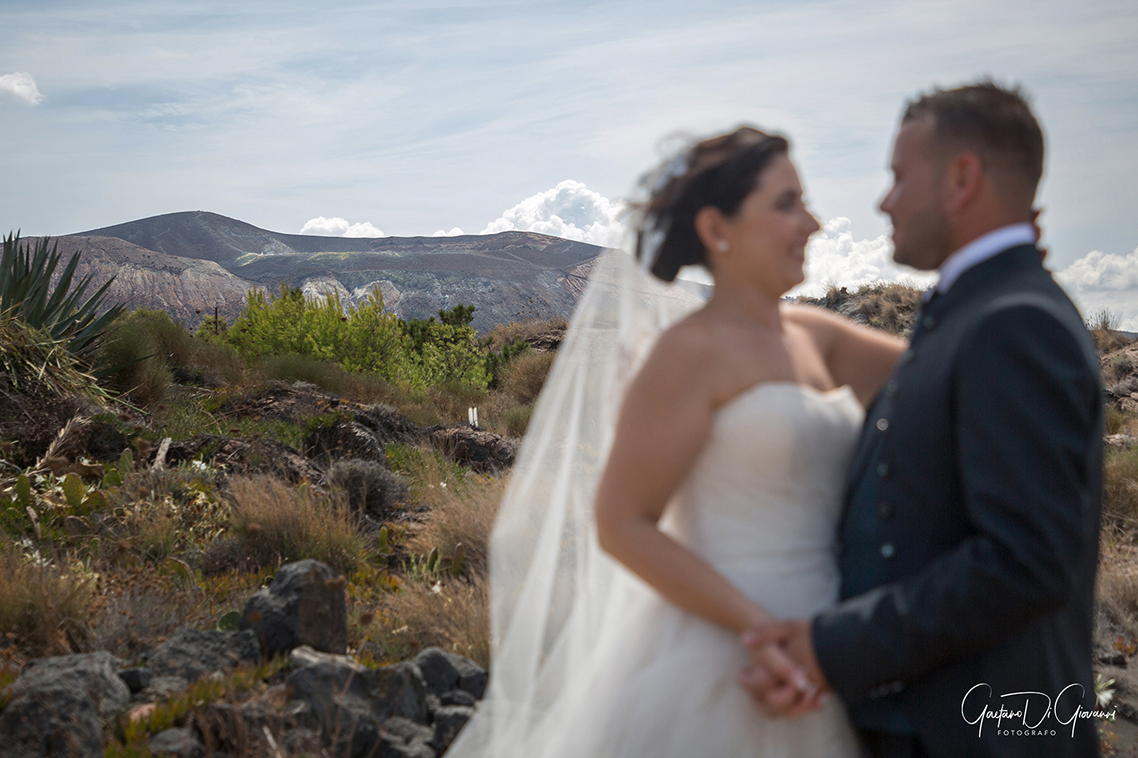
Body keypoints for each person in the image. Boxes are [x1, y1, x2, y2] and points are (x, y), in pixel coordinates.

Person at [444, 126, 905, 758]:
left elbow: (944, 370)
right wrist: (758, 631)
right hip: (726, 655)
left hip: (829, 641)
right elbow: (620, 522)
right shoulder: (688, 353)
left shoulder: (814, 337)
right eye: (786, 203)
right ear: (718, 229)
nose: (814, 223)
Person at [740, 82, 1105, 757]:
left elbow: (1023, 562)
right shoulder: (974, 313)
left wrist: (832, 647)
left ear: (962, 178)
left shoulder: (1015, 323)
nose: (883, 201)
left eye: (899, 177)